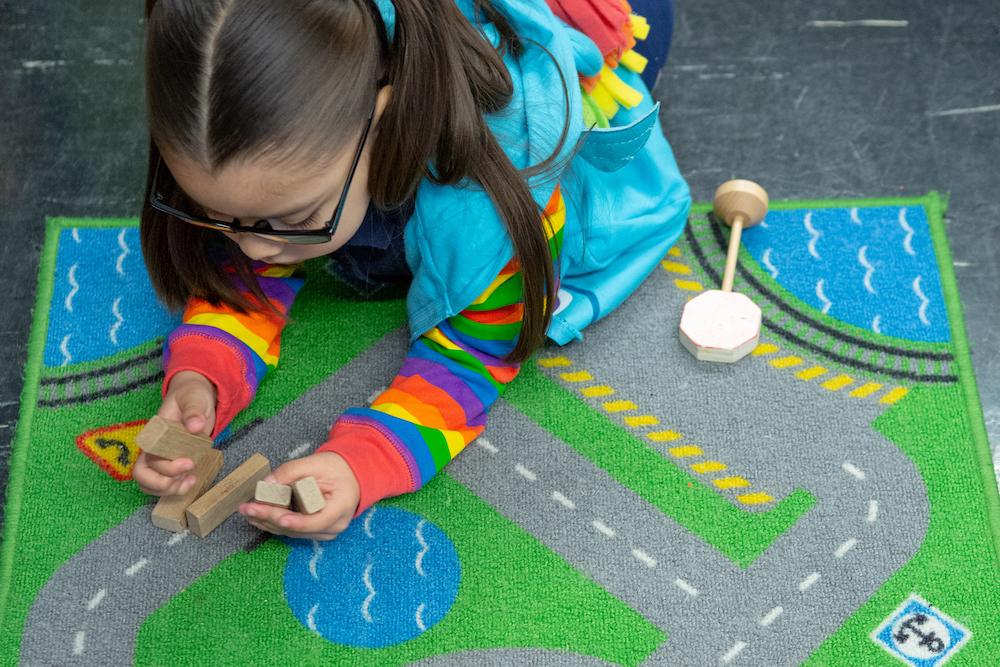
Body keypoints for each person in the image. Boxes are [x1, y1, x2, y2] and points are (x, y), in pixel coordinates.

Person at [132, 0, 690, 540]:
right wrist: (202, 374)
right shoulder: (249, 117)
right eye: (212, 213)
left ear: (382, 115)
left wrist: (366, 460)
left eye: (291, 219)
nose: (250, 250)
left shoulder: (497, 185)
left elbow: (473, 355)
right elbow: (240, 264)